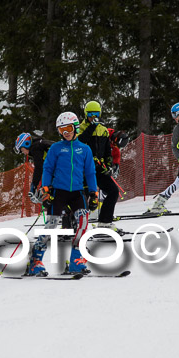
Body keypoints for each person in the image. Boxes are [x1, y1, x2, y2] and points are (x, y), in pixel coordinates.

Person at [25, 111, 99, 276]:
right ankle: (35, 261)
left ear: (75, 127)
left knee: (83, 221)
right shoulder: (55, 148)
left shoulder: (84, 149)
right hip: (58, 192)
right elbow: (47, 169)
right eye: (61, 130)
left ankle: (76, 260)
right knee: (51, 225)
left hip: (77, 192)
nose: (65, 133)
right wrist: (45, 188)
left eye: (67, 128)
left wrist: (93, 193)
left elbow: (90, 172)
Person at [76, 100, 121, 231]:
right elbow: (80, 141)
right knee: (82, 197)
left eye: (96, 114)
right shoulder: (81, 128)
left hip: (99, 168)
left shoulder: (103, 130)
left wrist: (108, 166)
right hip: (84, 169)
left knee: (113, 191)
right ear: (86, 115)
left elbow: (107, 151)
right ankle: (74, 225)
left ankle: (105, 221)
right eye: (90, 114)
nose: (93, 117)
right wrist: (91, 127)